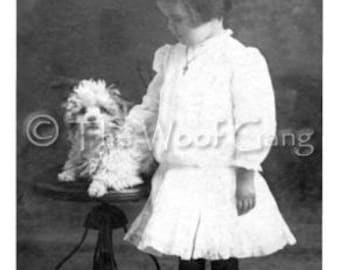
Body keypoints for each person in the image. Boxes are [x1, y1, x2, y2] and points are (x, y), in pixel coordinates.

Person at [123, 0, 297, 269]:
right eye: (168, 19)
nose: (170, 27)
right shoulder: (172, 57)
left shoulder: (238, 59)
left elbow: (254, 121)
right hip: (178, 175)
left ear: (208, 15)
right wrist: (126, 139)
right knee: (187, 252)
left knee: (221, 248)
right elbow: (152, 108)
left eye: (177, 19)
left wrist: (246, 176)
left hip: (221, 176)